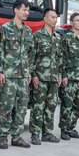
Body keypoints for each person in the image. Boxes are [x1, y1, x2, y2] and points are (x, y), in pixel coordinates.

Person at [0, 0, 34, 149]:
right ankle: (3, 137)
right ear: (16, 10)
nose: (26, 12)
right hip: (9, 75)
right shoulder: (5, 29)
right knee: (6, 106)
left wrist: (29, 70)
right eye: (24, 10)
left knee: (21, 107)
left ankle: (17, 136)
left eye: (28, 10)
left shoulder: (28, 31)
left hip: (24, 76)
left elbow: (31, 53)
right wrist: (0, 71)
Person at [29, 8, 63, 145]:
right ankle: (35, 133)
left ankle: (47, 132)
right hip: (41, 77)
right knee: (38, 106)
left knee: (51, 106)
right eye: (52, 17)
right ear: (45, 19)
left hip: (54, 78)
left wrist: (60, 74)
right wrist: (33, 75)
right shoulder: (37, 36)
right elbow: (31, 57)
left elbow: (60, 58)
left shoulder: (58, 38)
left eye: (56, 18)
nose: (54, 20)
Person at [59, 13, 79, 140]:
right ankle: (64, 130)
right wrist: (64, 75)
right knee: (67, 105)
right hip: (70, 78)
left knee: (78, 105)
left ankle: (71, 128)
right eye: (77, 20)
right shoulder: (66, 38)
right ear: (71, 22)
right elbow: (62, 57)